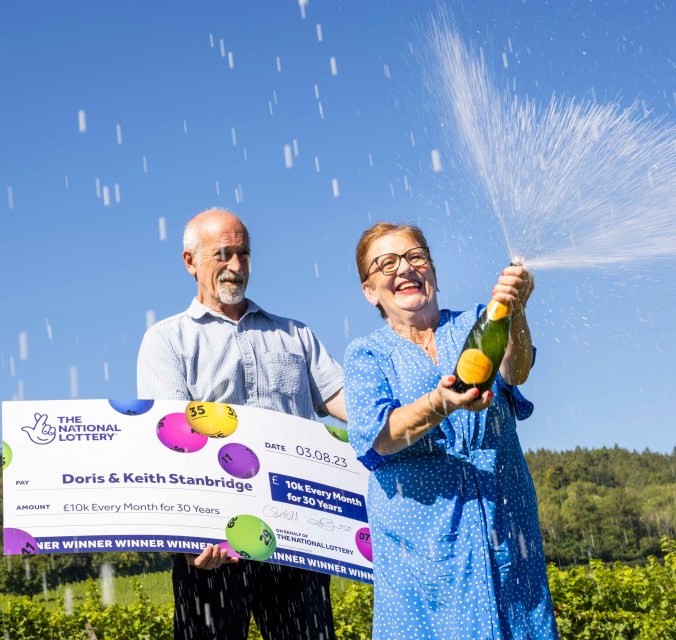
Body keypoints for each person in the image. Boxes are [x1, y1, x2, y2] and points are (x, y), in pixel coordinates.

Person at [137, 207, 346, 640]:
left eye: (243, 253)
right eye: (223, 254)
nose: (235, 265)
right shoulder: (166, 340)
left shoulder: (295, 335)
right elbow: (172, 442)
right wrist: (193, 532)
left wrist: (424, 408)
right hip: (212, 545)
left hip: (294, 537)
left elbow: (346, 402)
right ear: (190, 262)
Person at [343, 222, 559, 639]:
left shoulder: (479, 321)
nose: (404, 269)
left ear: (434, 272)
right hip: (422, 547)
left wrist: (515, 309)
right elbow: (379, 438)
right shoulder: (367, 354)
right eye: (386, 264)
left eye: (415, 257)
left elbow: (517, 371)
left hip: (505, 525)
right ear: (370, 291)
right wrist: (439, 404)